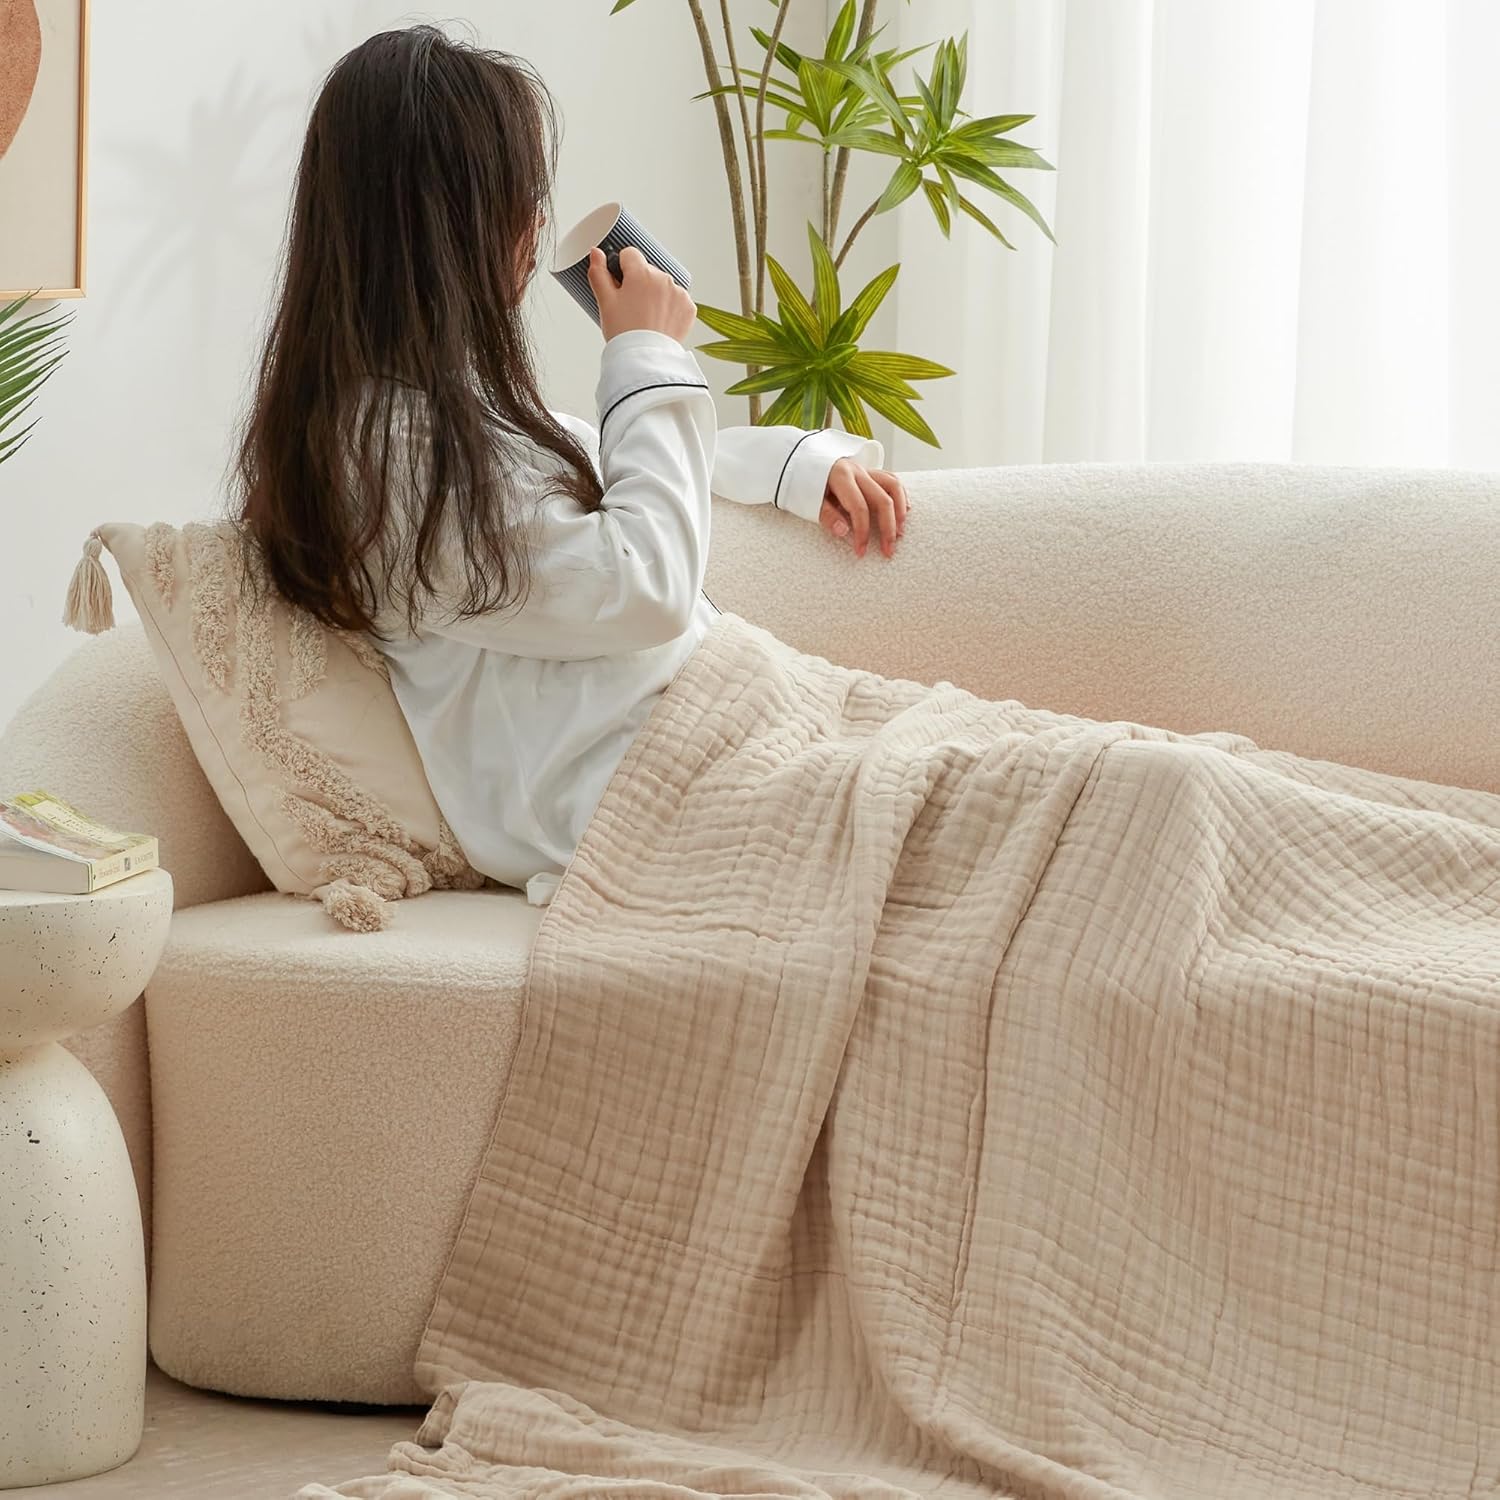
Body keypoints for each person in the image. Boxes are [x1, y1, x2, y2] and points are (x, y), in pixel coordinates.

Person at [235, 26, 910, 905]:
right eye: (521, 197)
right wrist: (644, 354)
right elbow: (642, 584)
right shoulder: (388, 458)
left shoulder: (424, 423)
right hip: (659, 801)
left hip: (713, 757)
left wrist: (792, 465)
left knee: (1060, 776)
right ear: (451, 227)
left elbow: (596, 463)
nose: (534, 228)